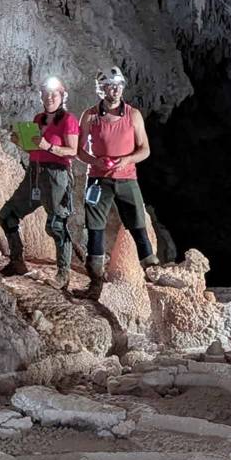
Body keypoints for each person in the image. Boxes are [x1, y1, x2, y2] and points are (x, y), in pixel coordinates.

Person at [79, 66, 158, 297]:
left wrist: (126, 160)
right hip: (97, 179)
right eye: (107, 86)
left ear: (122, 87)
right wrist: (95, 161)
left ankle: (152, 272)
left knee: (138, 224)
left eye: (117, 86)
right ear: (100, 90)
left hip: (126, 177)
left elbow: (145, 149)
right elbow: (79, 150)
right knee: (94, 228)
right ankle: (95, 282)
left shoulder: (133, 115)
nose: (113, 90)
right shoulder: (90, 116)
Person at [0, 77, 81, 284]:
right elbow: (36, 150)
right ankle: (17, 262)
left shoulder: (68, 120)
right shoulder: (38, 119)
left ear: (62, 96)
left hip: (56, 175)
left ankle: (63, 274)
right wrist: (21, 143)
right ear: (41, 96)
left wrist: (49, 147)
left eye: (55, 94)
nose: (50, 97)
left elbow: (73, 152)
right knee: (7, 215)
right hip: (34, 174)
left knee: (56, 224)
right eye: (46, 93)